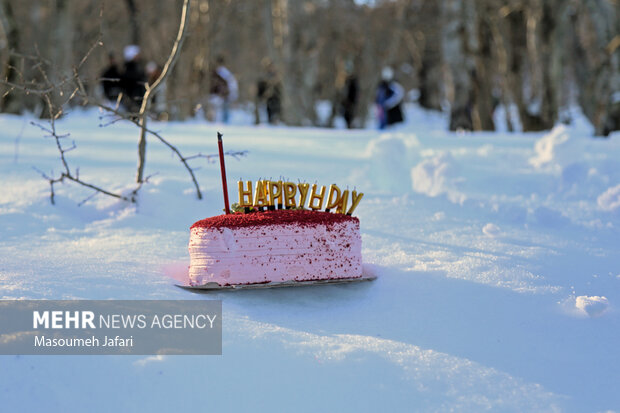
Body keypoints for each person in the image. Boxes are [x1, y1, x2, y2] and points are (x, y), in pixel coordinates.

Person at [209, 55, 238, 123]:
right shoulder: (219, 72)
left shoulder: (223, 72)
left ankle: (224, 123)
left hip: (223, 95)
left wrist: (231, 93)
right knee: (218, 110)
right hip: (218, 95)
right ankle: (218, 122)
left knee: (224, 110)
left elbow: (231, 83)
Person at [121, 45, 146, 113]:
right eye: (136, 55)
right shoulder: (129, 69)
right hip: (133, 102)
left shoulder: (137, 67)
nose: (138, 56)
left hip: (137, 99)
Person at [256, 59, 281, 124]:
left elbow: (279, 86)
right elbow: (260, 86)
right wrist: (260, 95)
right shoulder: (263, 75)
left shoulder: (276, 75)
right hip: (267, 97)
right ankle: (269, 122)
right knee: (268, 111)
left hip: (275, 96)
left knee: (275, 110)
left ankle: (275, 120)